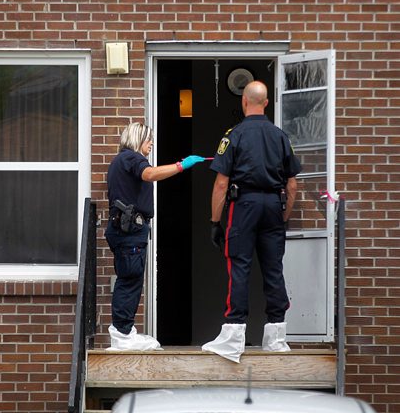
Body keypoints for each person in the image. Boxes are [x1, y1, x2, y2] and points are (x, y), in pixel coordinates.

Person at [202, 80, 302, 363]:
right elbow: (292, 185)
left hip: (243, 206)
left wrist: (214, 221)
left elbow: (221, 185)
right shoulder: (281, 136)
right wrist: (283, 215)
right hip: (273, 204)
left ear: (244, 102)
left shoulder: (233, 136)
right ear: (266, 103)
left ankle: (233, 338)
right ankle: (276, 339)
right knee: (273, 268)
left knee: (239, 267)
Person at [105, 122, 205, 351]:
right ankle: (122, 335)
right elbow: (149, 174)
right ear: (137, 139)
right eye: (148, 139)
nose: (151, 143)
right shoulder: (132, 158)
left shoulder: (120, 161)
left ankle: (125, 331)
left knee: (130, 279)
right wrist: (182, 166)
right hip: (129, 231)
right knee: (130, 280)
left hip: (124, 229)